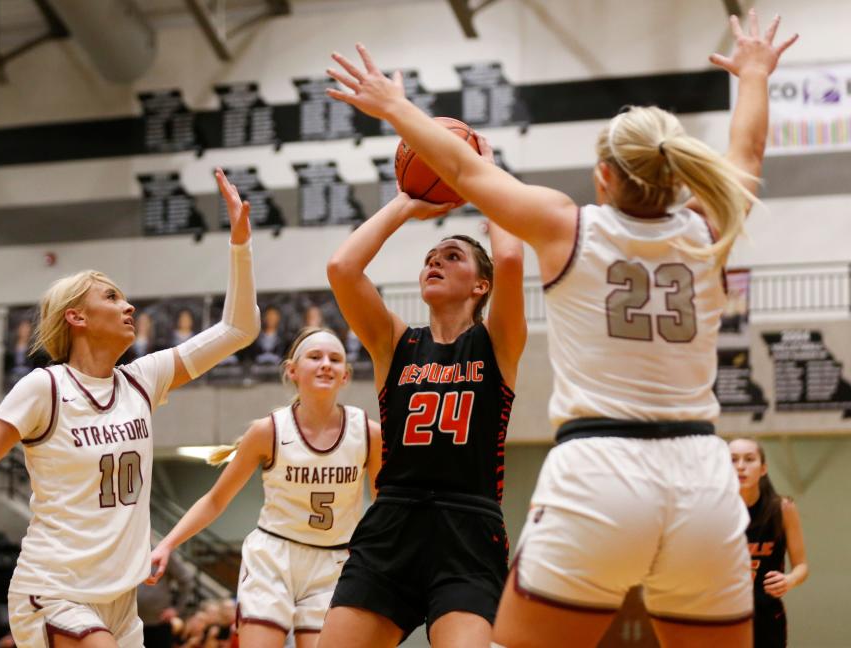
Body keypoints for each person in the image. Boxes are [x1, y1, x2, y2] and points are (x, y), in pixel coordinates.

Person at [325, 9, 796, 648]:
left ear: (604, 175)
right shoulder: (710, 228)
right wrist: (756, 74)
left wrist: (394, 106)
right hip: (699, 474)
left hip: (599, 467)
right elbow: (748, 153)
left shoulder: (570, 225)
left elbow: (464, 177)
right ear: (682, 173)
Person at [0, 167, 261, 648]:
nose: (129, 306)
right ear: (76, 317)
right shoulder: (45, 387)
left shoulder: (143, 379)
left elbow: (239, 329)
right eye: (112, 296)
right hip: (55, 588)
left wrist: (240, 244)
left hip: (120, 599)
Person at [319, 132, 527, 646]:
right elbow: (343, 269)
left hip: (468, 529)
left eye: (453, 257)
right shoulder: (396, 343)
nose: (435, 261)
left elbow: (514, 259)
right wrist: (406, 204)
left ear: (482, 286)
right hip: (393, 522)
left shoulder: (495, 342)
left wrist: (486, 175)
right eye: (431, 257)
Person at [148, 327, 383, 648]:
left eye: (335, 359)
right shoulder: (269, 431)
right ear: (292, 371)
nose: (326, 363)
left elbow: (385, 505)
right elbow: (216, 500)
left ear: (345, 376)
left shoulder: (368, 433)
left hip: (333, 562)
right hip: (274, 557)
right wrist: (168, 544)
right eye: (315, 357)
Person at [729, 438, 808, 648]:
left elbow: (802, 566)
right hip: (724, 613)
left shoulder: (782, 509)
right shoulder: (715, 511)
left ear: (763, 468)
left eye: (749, 459)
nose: (740, 466)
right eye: (733, 460)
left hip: (766, 615)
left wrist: (789, 580)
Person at [135, 547, 193, 648]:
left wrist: (177, 609)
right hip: (129, 623)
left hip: (158, 624)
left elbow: (186, 580)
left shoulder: (161, 551)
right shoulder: (126, 550)